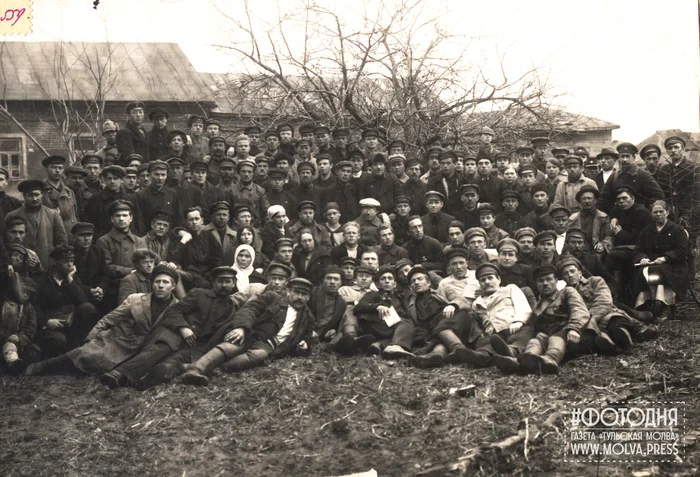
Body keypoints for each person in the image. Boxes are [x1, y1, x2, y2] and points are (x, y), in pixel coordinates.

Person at [102, 266, 239, 389]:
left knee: (172, 364)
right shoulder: (199, 294)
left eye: (228, 282)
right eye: (221, 281)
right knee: (160, 349)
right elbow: (173, 311)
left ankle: (145, 381)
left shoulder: (232, 307)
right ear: (214, 282)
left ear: (233, 284)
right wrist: (183, 328)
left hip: (195, 345)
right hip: (175, 333)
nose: (224, 285)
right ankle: (118, 374)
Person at [178, 277, 315, 385]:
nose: (300, 297)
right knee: (232, 344)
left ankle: (205, 367)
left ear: (308, 297)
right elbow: (250, 309)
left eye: (304, 294)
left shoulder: (307, 318)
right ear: (288, 291)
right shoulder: (272, 298)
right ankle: (196, 370)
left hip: (267, 346)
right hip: (252, 333)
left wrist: (304, 346)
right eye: (297, 292)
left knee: (259, 355)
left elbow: (306, 338)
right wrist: (241, 328)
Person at [557, 257, 657, 355]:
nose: (570, 275)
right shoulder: (564, 294)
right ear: (563, 278)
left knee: (616, 323)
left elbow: (604, 302)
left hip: (606, 314)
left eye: (572, 271)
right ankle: (611, 345)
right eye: (565, 273)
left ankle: (625, 340)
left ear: (579, 273)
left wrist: (591, 319)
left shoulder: (595, 281)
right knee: (590, 337)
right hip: (585, 324)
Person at [516, 264, 592, 374]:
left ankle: (550, 361)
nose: (545, 283)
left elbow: (579, 310)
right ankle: (526, 361)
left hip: (572, 335)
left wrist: (574, 328)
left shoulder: (567, 292)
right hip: (551, 337)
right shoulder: (537, 306)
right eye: (540, 281)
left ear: (556, 281)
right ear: (537, 284)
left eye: (549, 279)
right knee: (535, 341)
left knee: (555, 338)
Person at [461, 263, 534, 370]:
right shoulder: (477, 302)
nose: (487, 282)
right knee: (488, 344)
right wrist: (480, 334)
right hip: (494, 333)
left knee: (518, 340)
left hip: (515, 327)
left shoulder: (510, 289)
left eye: (490, 278)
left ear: (499, 279)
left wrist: (518, 321)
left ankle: (511, 352)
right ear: (480, 284)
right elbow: (477, 322)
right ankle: (481, 356)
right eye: (483, 280)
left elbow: (522, 305)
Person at [33, 244, 98, 359]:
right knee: (59, 341)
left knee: (88, 308)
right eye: (66, 261)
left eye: (72, 261)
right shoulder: (42, 281)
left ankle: (76, 345)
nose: (70, 265)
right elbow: (34, 308)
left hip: (70, 322)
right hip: (50, 324)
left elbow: (83, 301)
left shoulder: (71, 278)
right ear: (55, 262)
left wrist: (70, 281)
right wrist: (47, 321)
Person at [335, 265, 411, 356]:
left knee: (414, 331)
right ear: (378, 284)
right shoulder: (373, 294)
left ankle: (377, 345)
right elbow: (359, 307)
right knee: (407, 324)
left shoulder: (399, 298)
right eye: (383, 279)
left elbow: (405, 314)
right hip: (374, 324)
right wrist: (378, 307)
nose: (387, 281)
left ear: (395, 284)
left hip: (390, 328)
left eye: (390, 278)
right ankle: (396, 345)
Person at [633, 200, 689, 320]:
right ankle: (648, 304)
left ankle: (663, 305)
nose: (658, 214)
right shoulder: (646, 231)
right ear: (651, 214)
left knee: (658, 272)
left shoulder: (677, 230)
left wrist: (665, 257)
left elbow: (681, 251)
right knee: (645, 271)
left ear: (667, 212)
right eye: (655, 212)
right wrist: (642, 258)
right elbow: (638, 249)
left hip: (673, 266)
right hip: (651, 265)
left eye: (661, 211)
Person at [604, 186, 654, 303]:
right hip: (629, 248)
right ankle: (617, 294)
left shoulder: (640, 213)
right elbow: (615, 210)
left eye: (624, 198)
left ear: (633, 199)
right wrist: (614, 218)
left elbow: (638, 239)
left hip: (643, 249)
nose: (621, 201)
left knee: (612, 256)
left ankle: (607, 288)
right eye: (618, 199)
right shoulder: (623, 209)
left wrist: (619, 233)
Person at [8, 180, 68, 269]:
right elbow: (6, 242)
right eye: (30, 195)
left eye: (37, 195)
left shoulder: (53, 215)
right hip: (21, 267)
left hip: (47, 265)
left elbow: (62, 241)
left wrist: (53, 258)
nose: (34, 199)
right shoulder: (12, 215)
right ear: (24, 196)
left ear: (42, 195)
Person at [0, 250, 38, 374]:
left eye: (28, 293)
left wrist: (19, 337)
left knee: (33, 354)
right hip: (3, 339)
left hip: (21, 343)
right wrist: (6, 336)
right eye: (23, 291)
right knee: (8, 347)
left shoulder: (29, 308)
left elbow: (31, 329)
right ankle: (9, 361)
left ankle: (14, 363)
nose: (25, 295)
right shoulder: (4, 304)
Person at [599, 142, 664, 213]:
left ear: (634, 157)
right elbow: (604, 197)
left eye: (627, 156)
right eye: (622, 156)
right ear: (619, 158)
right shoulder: (615, 175)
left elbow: (659, 196)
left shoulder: (643, 175)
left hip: (639, 217)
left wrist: (644, 209)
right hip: (619, 217)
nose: (625, 159)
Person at [656, 136, 700, 238]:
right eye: (670, 148)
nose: (673, 150)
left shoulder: (694, 168)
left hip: (688, 213)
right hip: (668, 214)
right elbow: (661, 192)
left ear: (683, 149)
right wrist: (668, 209)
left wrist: (685, 212)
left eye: (676, 147)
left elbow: (696, 194)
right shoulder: (663, 169)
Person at [171, 207, 223, 290]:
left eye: (197, 219)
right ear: (186, 222)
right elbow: (174, 260)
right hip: (189, 278)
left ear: (202, 220)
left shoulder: (209, 236)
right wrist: (183, 241)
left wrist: (214, 275)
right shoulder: (183, 238)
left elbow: (217, 258)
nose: (194, 222)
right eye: (190, 220)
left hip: (209, 277)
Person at [131, 161, 180, 235]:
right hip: (147, 238)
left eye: (163, 175)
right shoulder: (140, 195)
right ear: (150, 175)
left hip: (168, 237)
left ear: (166, 176)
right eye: (156, 174)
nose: (160, 178)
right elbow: (139, 222)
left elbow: (178, 217)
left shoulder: (172, 194)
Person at [83, 165, 132, 238]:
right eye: (109, 179)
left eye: (115, 178)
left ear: (121, 180)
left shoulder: (130, 198)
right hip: (103, 239)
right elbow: (90, 223)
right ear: (105, 180)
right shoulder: (95, 199)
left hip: (126, 239)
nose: (112, 181)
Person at [71, 222, 111, 309]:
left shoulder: (98, 251)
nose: (86, 239)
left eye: (89, 235)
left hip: (96, 292)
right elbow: (72, 280)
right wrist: (90, 291)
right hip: (76, 295)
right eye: (82, 235)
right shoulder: (69, 253)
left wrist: (100, 288)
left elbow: (104, 274)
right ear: (74, 237)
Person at [566, 185, 613, 256]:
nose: (587, 201)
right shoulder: (573, 218)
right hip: (577, 249)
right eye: (584, 199)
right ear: (580, 201)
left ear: (595, 200)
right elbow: (568, 237)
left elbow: (609, 236)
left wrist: (602, 244)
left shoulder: (603, 217)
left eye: (589, 198)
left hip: (596, 250)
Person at [41, 155, 78, 241]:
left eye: (60, 168)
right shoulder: (41, 191)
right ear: (46, 169)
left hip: (70, 236)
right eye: (54, 167)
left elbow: (74, 216)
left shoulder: (69, 191)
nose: (57, 170)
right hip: (51, 236)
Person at [309, 266, 347, 341]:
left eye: (336, 279)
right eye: (329, 278)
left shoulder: (341, 303)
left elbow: (336, 324)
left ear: (341, 282)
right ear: (322, 280)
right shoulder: (311, 294)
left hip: (322, 338)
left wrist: (333, 330)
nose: (332, 282)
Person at [232, 159, 270, 227]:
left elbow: (266, 213)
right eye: (243, 171)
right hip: (236, 228)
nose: (246, 174)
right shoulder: (231, 191)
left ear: (253, 173)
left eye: (249, 172)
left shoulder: (260, 191)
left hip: (256, 228)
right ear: (239, 173)